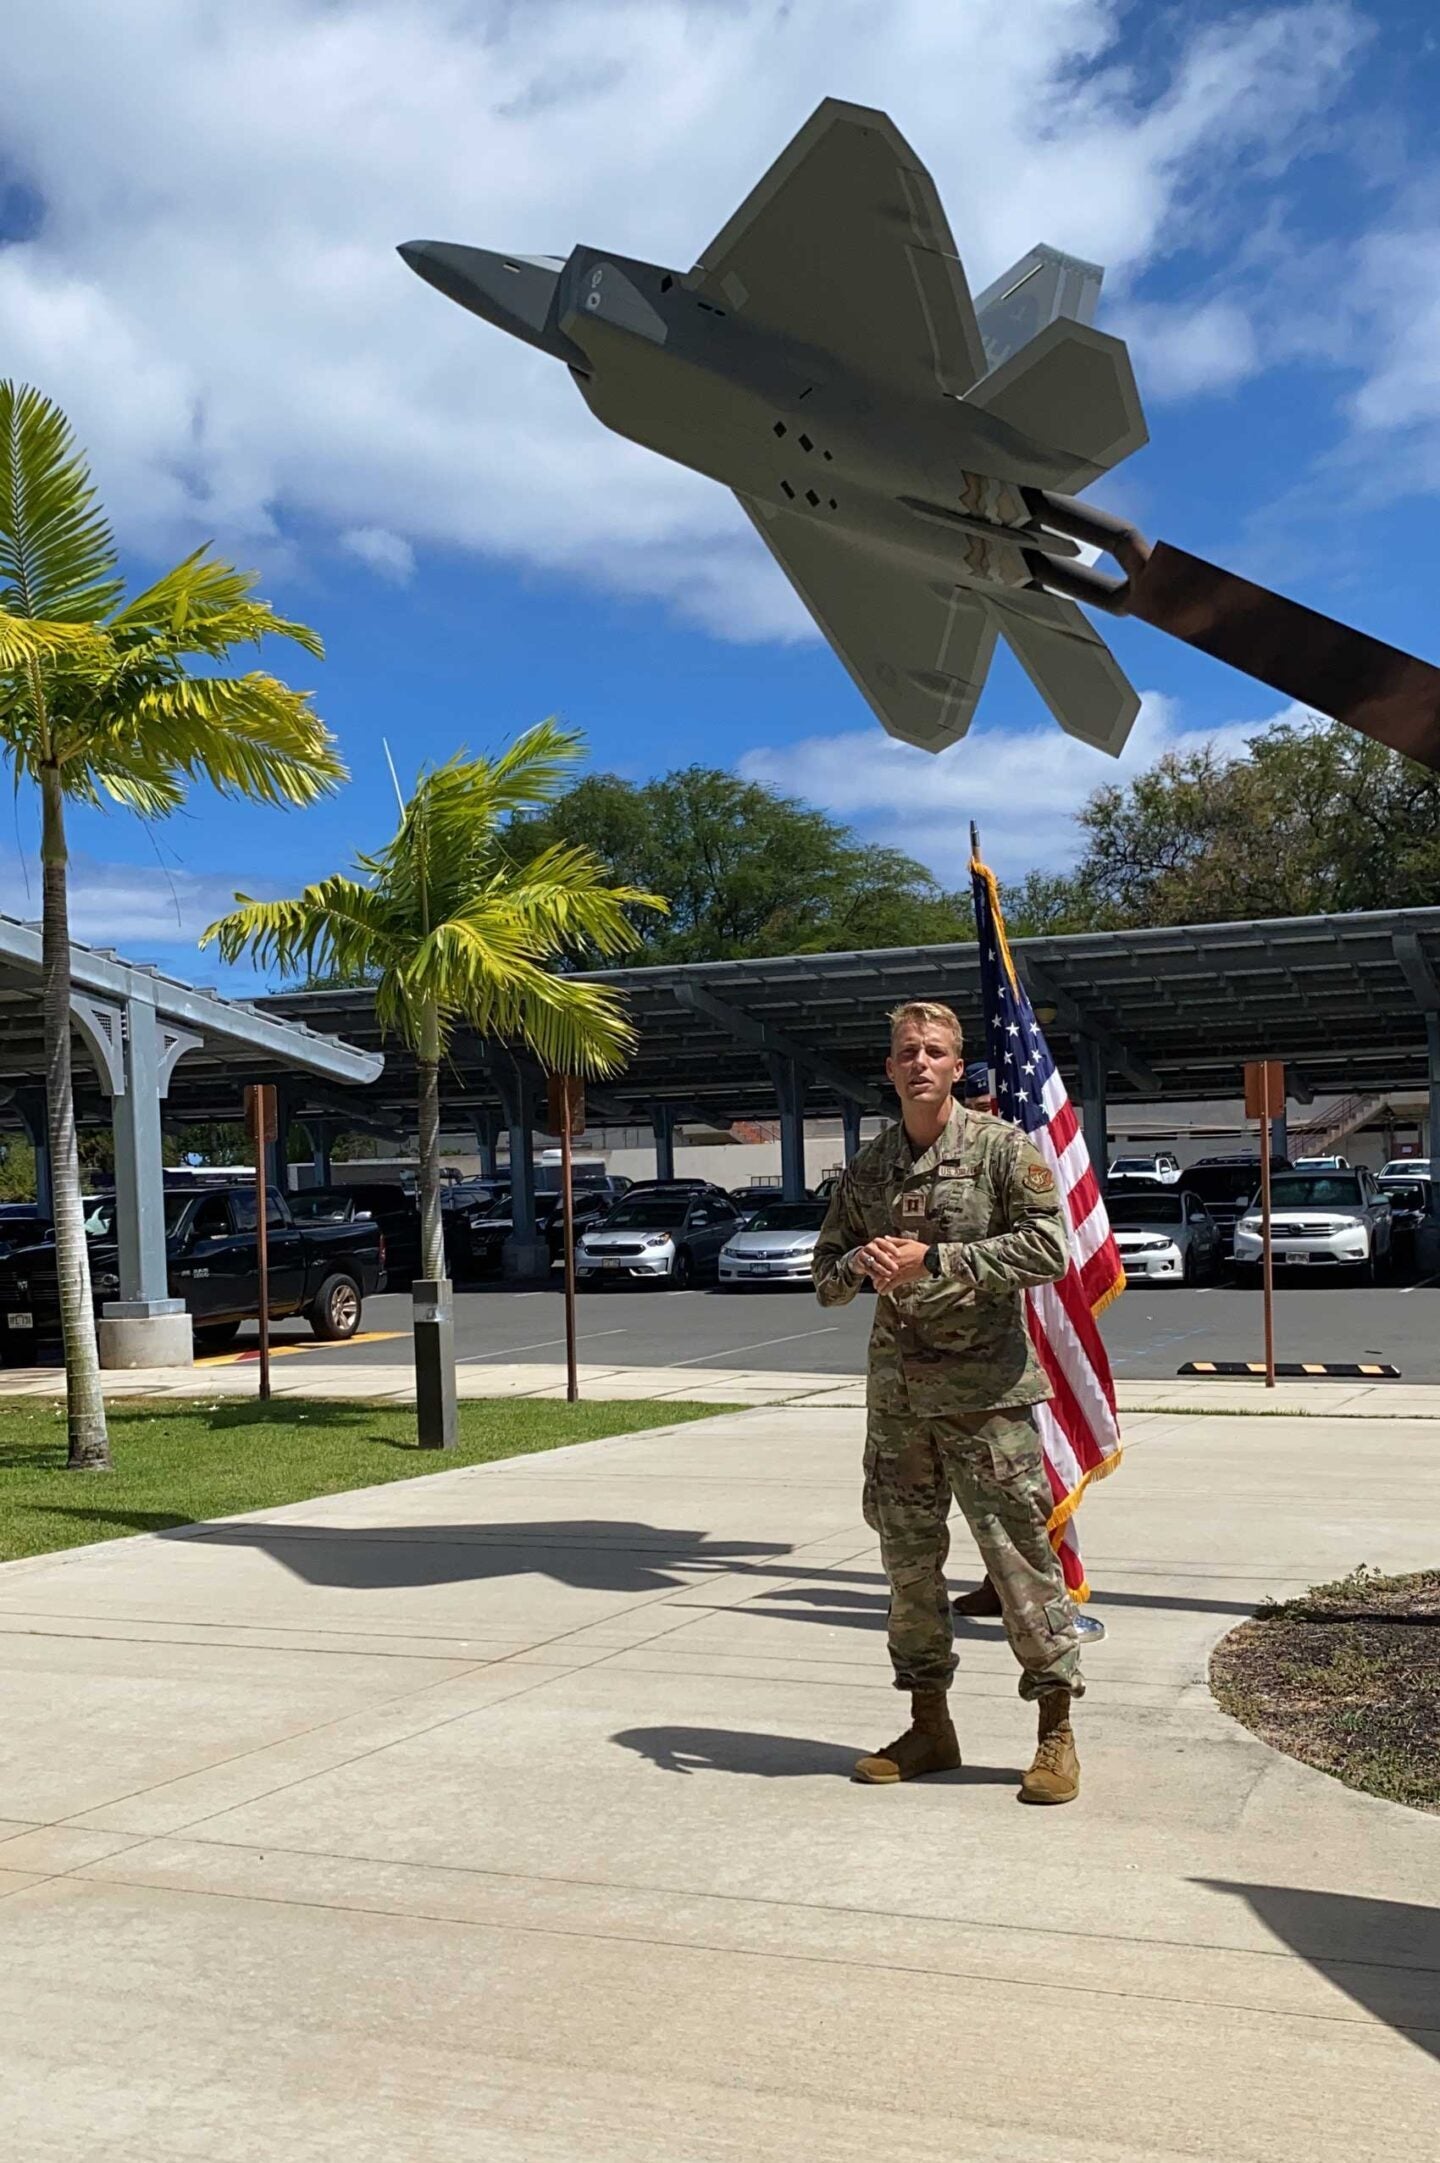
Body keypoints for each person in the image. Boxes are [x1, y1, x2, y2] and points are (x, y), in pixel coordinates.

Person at [813, 1000, 1083, 1803]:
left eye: (934, 1050)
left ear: (957, 1066)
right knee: (908, 1569)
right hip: (899, 1407)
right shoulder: (868, 1168)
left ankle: (1056, 1732)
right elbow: (825, 1279)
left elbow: (1049, 1247)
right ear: (890, 1069)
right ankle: (930, 1722)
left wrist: (936, 1259)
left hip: (985, 1399)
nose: (920, 1062)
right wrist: (863, 1260)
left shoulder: (1001, 1150)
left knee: (1020, 1563)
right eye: (907, 1051)